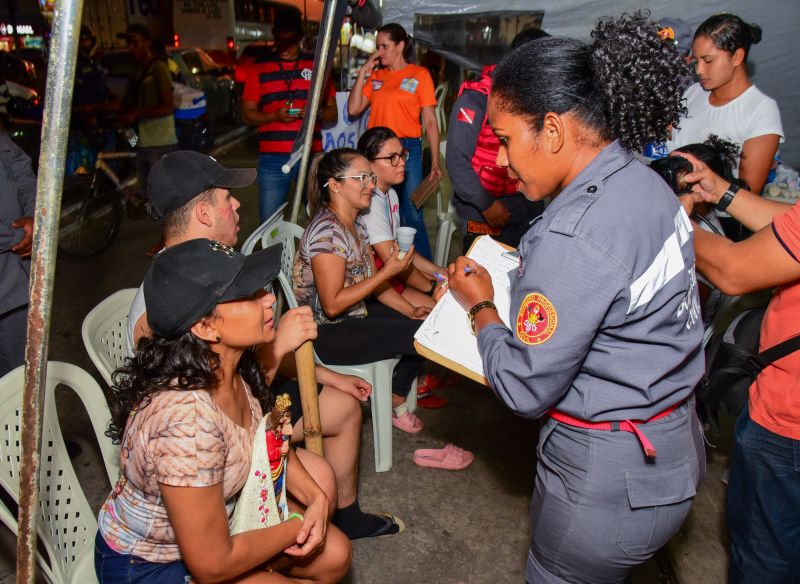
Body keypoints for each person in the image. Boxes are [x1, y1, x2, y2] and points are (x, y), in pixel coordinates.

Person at [446, 13, 706, 581]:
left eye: (508, 139)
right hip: (669, 449)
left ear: (556, 130)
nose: (499, 160)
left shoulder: (575, 234)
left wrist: (481, 307)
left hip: (606, 483)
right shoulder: (643, 181)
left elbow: (522, 386)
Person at [126, 150, 397, 540]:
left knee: (344, 407)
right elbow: (222, 417)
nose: (237, 205)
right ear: (204, 215)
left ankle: (346, 517)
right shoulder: (165, 302)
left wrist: (326, 375)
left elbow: (246, 359)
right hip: (208, 449)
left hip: (250, 395)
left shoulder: (220, 265)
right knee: (316, 485)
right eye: (226, 198)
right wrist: (281, 341)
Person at [95, 238, 351, 582]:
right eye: (247, 296)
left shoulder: (231, 363)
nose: (270, 299)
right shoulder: (185, 423)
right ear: (205, 326)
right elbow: (212, 564)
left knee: (335, 552)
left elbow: (265, 441)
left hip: (219, 525)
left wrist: (316, 498)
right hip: (151, 565)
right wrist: (294, 525)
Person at [676, 151, 800, 584]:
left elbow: (730, 270)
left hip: (790, 425)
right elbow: (793, 223)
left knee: (765, 556)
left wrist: (667, 218)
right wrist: (726, 193)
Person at [293, 148, 429, 435]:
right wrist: (388, 271)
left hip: (352, 316)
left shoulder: (354, 223)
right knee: (423, 336)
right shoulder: (327, 234)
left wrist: (409, 309)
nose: (372, 184)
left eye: (370, 176)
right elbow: (331, 305)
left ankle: (393, 391)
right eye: (362, 178)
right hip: (325, 333)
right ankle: (395, 395)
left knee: (425, 322)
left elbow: (373, 283)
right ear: (335, 185)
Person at [357, 126, 457, 408]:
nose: (402, 162)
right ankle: (398, 393)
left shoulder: (388, 194)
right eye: (392, 158)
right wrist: (435, 284)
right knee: (433, 320)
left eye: (402, 155)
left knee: (438, 309)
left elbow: (403, 254)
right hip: (374, 288)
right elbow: (395, 263)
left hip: (387, 280)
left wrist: (441, 272)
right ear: (369, 164)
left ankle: (412, 378)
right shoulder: (372, 202)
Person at [446, 28, 547, 253]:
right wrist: (487, 205)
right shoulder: (476, 100)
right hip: (483, 208)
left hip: (524, 207)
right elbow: (457, 163)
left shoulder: (531, 99)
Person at [347, 23, 440, 260]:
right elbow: (354, 108)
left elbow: (430, 121)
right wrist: (364, 73)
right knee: (376, 208)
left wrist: (435, 161)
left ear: (400, 46)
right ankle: (387, 267)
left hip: (408, 150)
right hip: (377, 153)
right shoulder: (376, 77)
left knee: (412, 212)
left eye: (384, 46)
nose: (379, 52)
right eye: (377, 47)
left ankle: (426, 273)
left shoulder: (420, 75)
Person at [666, 14, 783, 197]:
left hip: (718, 220)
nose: (699, 70)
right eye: (696, 61)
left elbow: (748, 194)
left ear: (737, 57)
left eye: (708, 60)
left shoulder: (760, 110)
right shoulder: (693, 92)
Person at [242, 6, 338, 223]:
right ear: (274, 36)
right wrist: (274, 116)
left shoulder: (317, 66)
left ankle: (315, 257)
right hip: (273, 158)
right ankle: (275, 257)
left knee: (319, 218)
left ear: (300, 37)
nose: (284, 48)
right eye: (280, 41)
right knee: (269, 222)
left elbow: (333, 113)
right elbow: (247, 114)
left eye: (290, 42)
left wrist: (318, 112)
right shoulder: (259, 67)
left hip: (310, 155)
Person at [116, 23, 178, 203]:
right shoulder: (135, 72)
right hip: (141, 140)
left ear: (147, 43)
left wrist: (138, 113)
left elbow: (168, 106)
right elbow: (127, 102)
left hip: (160, 141)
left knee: (161, 196)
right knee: (146, 195)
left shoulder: (159, 68)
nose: (131, 48)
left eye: (135, 43)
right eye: (128, 44)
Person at [0, 126, 36, 377]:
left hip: (15, 282)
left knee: (21, 379)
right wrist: (17, 234)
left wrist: (35, 217)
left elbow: (22, 170)